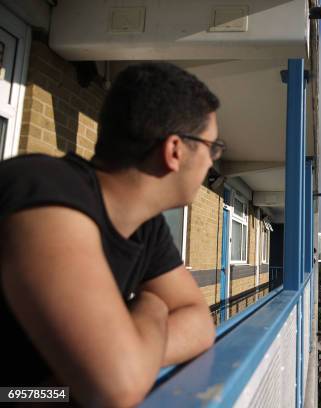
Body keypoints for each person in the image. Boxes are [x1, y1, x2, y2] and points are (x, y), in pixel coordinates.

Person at [0, 62, 223, 406]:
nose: (212, 162)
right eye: (212, 147)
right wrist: (155, 302)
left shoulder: (145, 227)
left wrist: (130, 349)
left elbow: (199, 322)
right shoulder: (45, 193)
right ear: (175, 150)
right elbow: (118, 386)